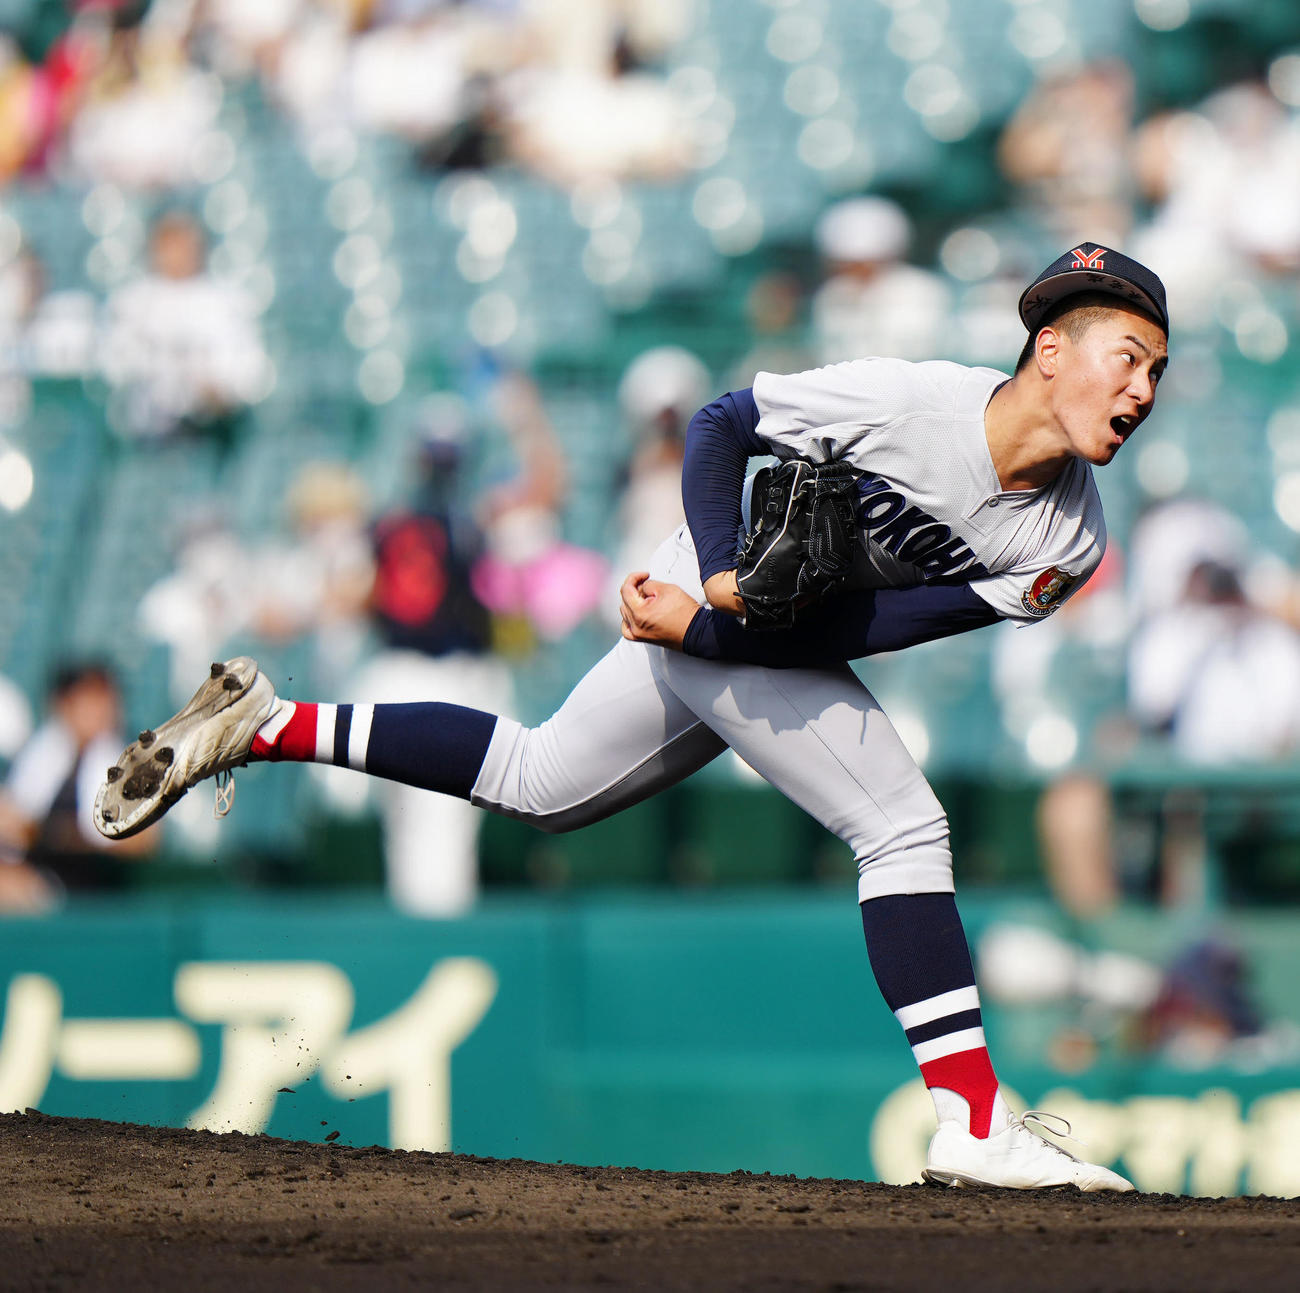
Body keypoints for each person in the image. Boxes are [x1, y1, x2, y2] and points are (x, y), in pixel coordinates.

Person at [92, 242, 1169, 1192]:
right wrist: (715, 582)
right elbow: (721, 423)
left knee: (538, 782)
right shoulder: (910, 401)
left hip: (746, 632)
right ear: (1049, 351)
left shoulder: (1066, 544)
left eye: (1157, 371)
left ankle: (267, 725)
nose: (1143, 389)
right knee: (902, 829)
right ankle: (974, 1120)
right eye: (1126, 357)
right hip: (704, 581)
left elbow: (874, 629)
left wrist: (707, 629)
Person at [1, 661, 155, 910]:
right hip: (40, 874)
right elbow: (15, 821)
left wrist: (63, 835)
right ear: (65, 705)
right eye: (89, 700)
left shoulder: (127, 763)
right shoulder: (41, 754)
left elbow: (140, 842)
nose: (101, 711)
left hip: (96, 886)